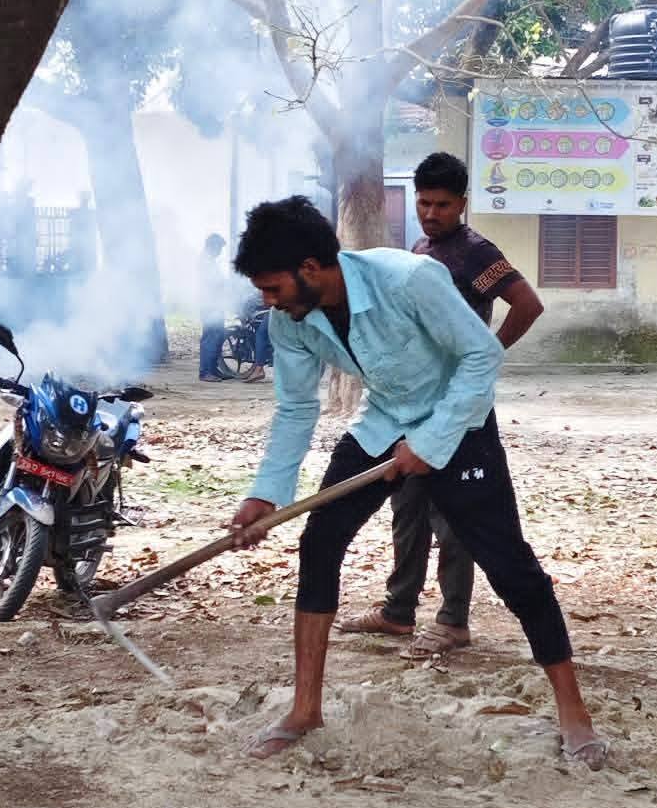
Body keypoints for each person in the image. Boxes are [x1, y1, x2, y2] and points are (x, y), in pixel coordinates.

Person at [226, 195, 604, 766]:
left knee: (510, 566)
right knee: (320, 542)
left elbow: (481, 357)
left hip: (460, 423)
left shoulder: (409, 279)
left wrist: (430, 445)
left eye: (273, 287)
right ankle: (305, 708)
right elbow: (295, 409)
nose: (268, 301)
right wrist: (265, 493)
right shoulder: (292, 318)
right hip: (383, 423)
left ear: (310, 268)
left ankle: (574, 713)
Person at [338, 151, 544, 655]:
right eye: (424, 203)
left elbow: (529, 304)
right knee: (407, 506)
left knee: (452, 515)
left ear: (463, 203)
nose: (432, 213)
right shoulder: (420, 248)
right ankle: (397, 611)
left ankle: (453, 620)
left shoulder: (476, 252)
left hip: (459, 409)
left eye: (444, 205)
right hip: (414, 403)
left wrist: (487, 355)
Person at [197, 232, 232, 382]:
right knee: (211, 337)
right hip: (210, 305)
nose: (220, 252)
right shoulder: (205, 261)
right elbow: (211, 284)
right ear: (213, 246)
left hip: (215, 304)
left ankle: (213, 369)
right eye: (219, 248)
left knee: (217, 335)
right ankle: (205, 372)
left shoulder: (209, 260)